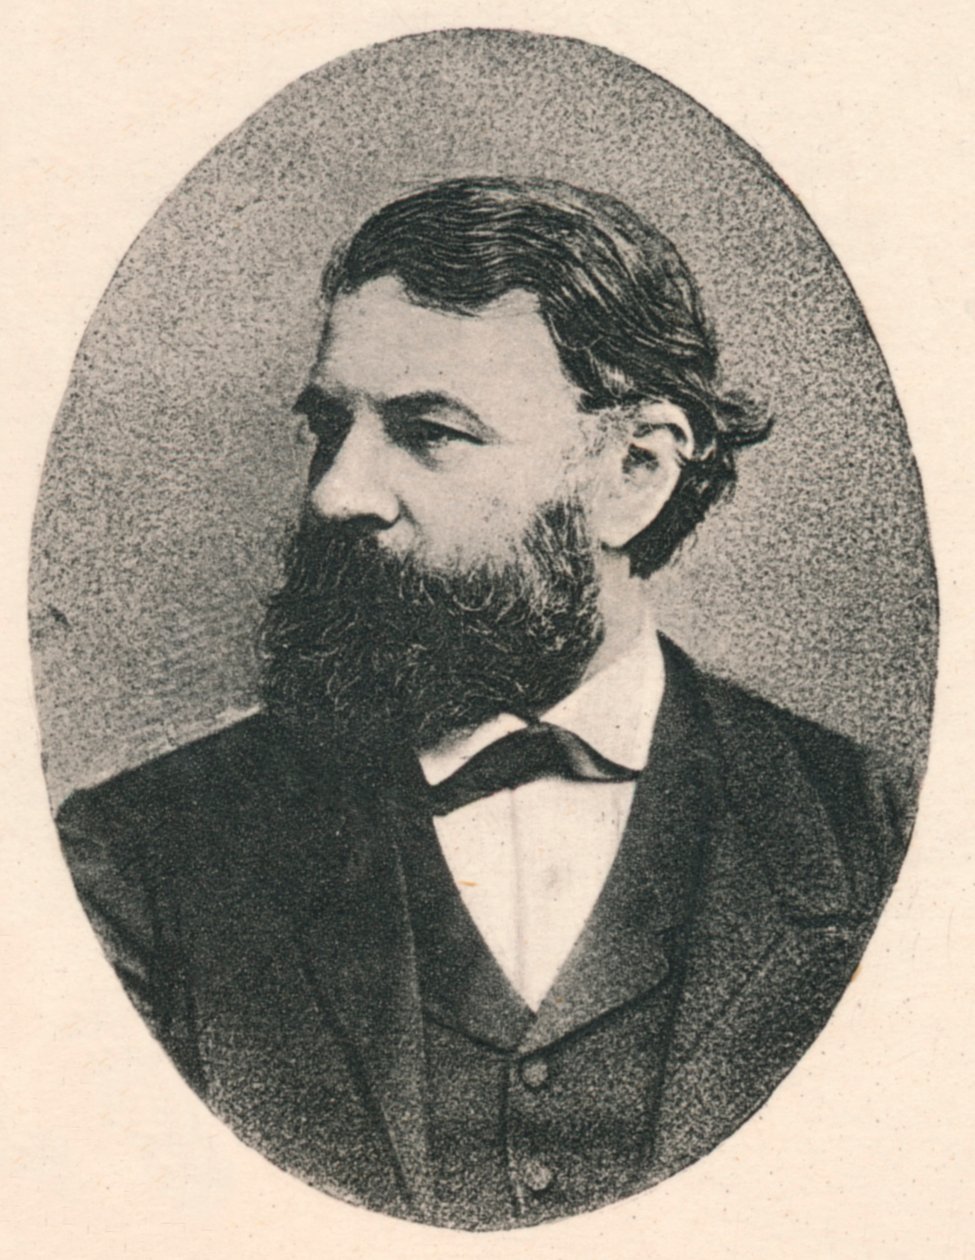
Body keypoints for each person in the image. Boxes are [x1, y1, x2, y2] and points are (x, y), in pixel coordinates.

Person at [56, 177, 908, 1230]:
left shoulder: (870, 835)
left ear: (634, 472)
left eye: (428, 431)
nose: (336, 492)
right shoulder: (140, 857)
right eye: (330, 427)